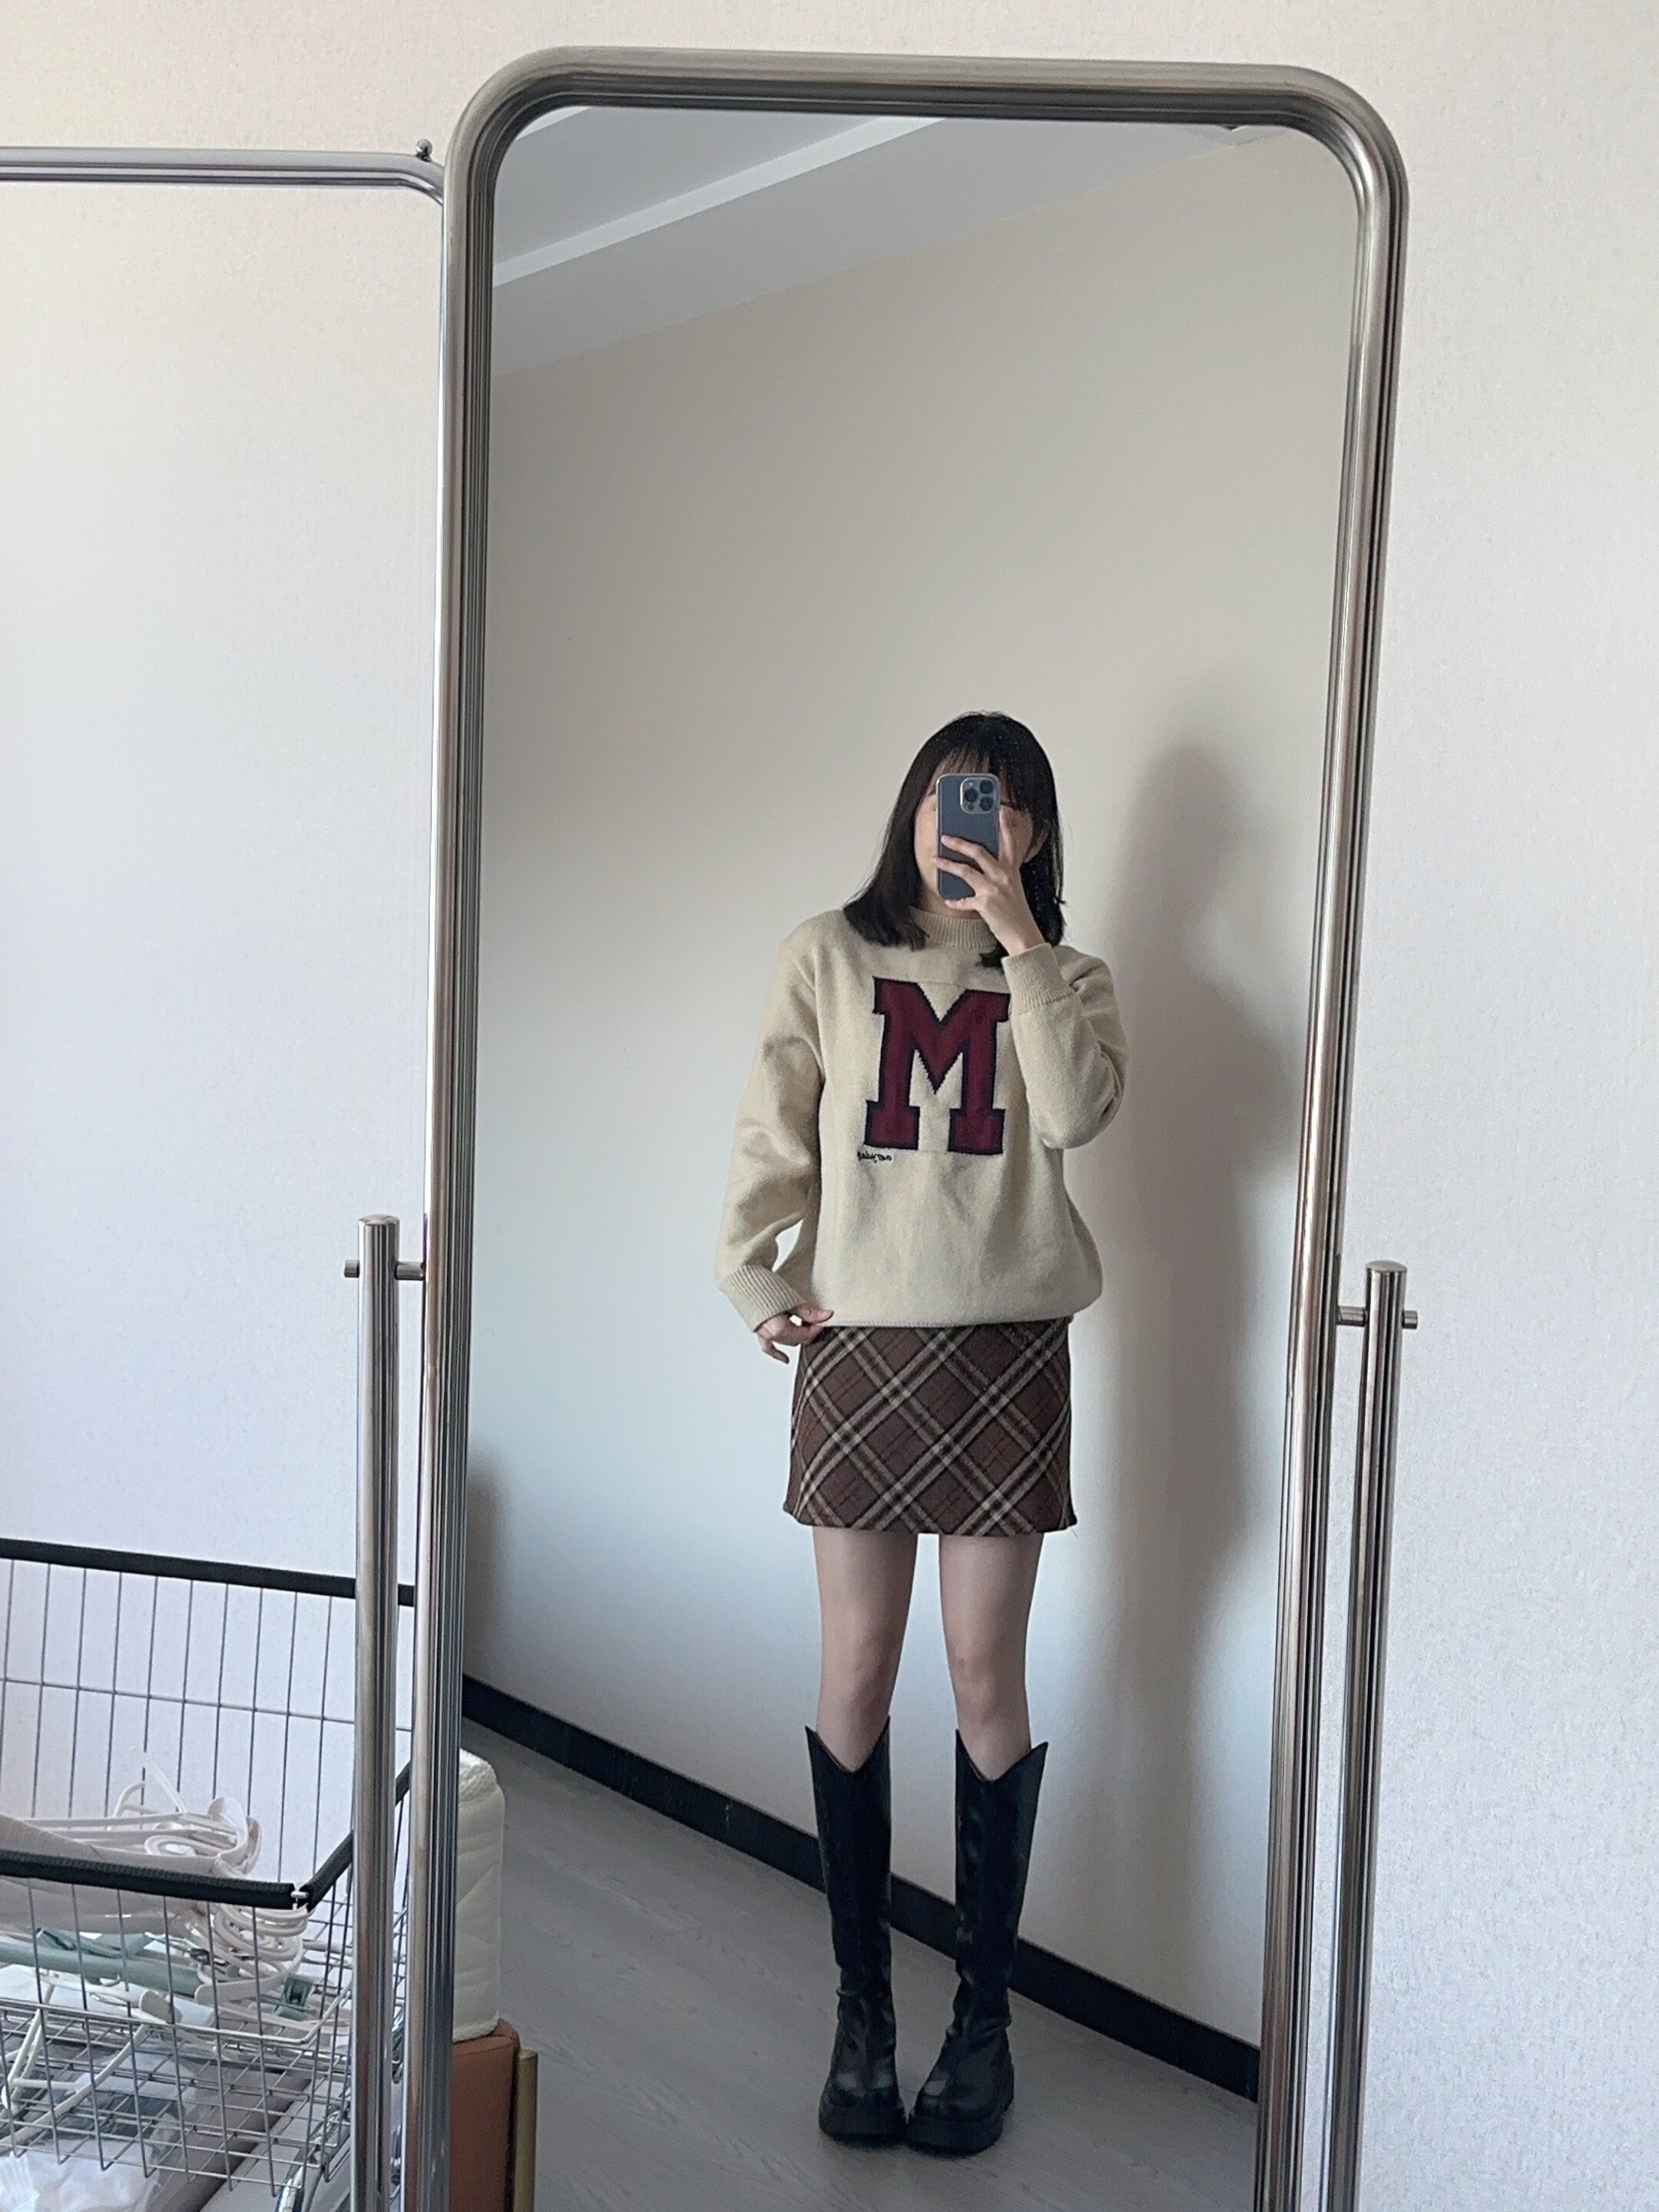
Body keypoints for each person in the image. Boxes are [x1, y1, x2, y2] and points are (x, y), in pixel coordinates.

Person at [714, 710, 1128, 2156]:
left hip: (1007, 1352)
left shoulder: (1069, 976)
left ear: (1033, 831)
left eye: (1000, 806)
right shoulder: (826, 954)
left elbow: (1076, 1117)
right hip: (861, 1346)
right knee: (857, 1669)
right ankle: (863, 2018)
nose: (970, 825)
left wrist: (1018, 941)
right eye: (954, 798)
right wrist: (753, 1273)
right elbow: (773, 1131)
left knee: (982, 1675)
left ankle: (981, 2024)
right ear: (912, 809)